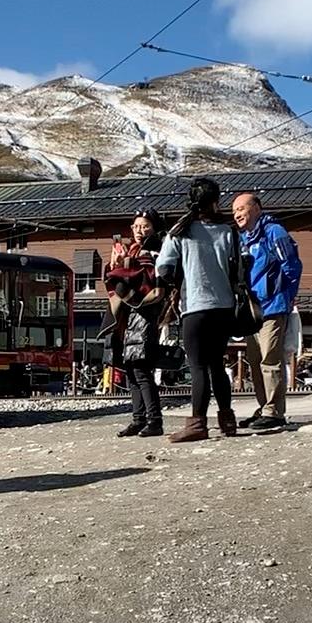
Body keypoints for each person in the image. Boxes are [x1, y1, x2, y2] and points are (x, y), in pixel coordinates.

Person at [155, 178, 238, 443]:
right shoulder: (228, 230)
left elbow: (164, 269)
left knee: (198, 366)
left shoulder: (180, 231)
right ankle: (227, 419)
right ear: (216, 201)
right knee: (217, 364)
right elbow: (238, 268)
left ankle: (197, 423)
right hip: (225, 306)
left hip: (196, 306)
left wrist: (180, 279)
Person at [233, 191, 302, 430]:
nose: (238, 214)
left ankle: (274, 411)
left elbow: (291, 266)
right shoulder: (244, 240)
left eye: (242, 208)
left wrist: (288, 296)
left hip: (272, 305)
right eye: (234, 211)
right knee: (254, 360)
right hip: (251, 309)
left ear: (257, 209)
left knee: (269, 358)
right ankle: (264, 408)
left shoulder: (274, 233)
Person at [106, 211, 168, 437]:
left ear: (154, 228)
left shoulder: (157, 250)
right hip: (128, 314)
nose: (140, 231)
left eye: (145, 227)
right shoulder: (131, 249)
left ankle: (155, 420)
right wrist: (117, 263)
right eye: (136, 227)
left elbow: (151, 280)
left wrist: (122, 266)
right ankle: (138, 418)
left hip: (145, 310)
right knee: (130, 369)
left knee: (141, 368)